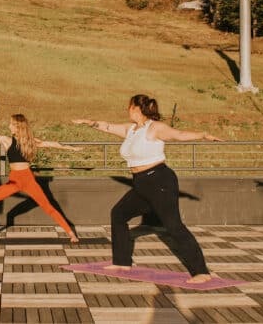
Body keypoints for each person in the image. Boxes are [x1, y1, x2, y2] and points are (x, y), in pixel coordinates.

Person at [73, 94, 224, 284]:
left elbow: (179, 135)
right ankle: (121, 262)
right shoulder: (131, 130)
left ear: (136, 108)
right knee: (118, 214)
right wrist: (89, 122)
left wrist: (203, 135)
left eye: (129, 107)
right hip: (141, 182)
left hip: (160, 181)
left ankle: (201, 271)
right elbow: (108, 126)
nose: (126, 110)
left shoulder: (154, 128)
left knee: (174, 226)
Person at [0, 114, 82, 243]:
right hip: (14, 181)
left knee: (48, 207)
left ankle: (71, 233)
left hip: (28, 180)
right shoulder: (7, 140)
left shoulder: (29, 141)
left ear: (18, 127)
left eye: (11, 124)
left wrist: (72, 148)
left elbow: (52, 144)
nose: (9, 126)